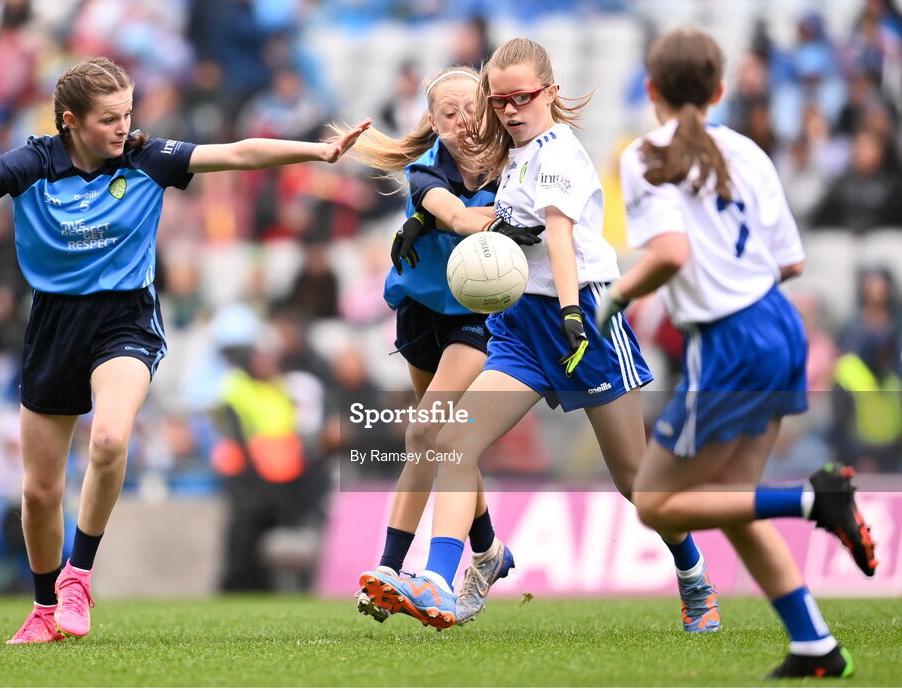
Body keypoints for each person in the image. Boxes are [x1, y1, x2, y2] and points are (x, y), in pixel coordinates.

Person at [0, 56, 370, 644]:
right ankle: (41, 606)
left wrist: (318, 153)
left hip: (124, 318)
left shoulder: (145, 157)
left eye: (127, 114)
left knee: (109, 438)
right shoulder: (37, 160)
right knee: (38, 491)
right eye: (108, 119)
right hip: (54, 324)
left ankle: (78, 578)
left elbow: (235, 153)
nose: (122, 128)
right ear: (70, 121)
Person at [359, 38, 719, 633]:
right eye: (499, 100)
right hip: (522, 328)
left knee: (635, 482)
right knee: (454, 439)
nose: (509, 109)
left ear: (549, 91)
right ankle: (440, 582)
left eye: (522, 97)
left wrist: (574, 312)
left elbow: (556, 235)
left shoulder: (557, 153)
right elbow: (500, 216)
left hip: (583, 323)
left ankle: (692, 574)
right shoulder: (515, 152)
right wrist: (424, 217)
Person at [594, 27, 877, 678]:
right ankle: (815, 644)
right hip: (778, 323)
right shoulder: (747, 150)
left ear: (651, 90)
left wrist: (614, 299)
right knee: (730, 497)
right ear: (720, 90)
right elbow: (794, 260)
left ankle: (813, 503)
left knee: (656, 501)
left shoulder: (645, 155)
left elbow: (669, 255)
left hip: (730, 340)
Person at [333, 65, 538, 626]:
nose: (464, 122)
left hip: (478, 316)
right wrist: (474, 217)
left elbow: (498, 216)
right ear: (433, 122)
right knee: (447, 443)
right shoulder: (425, 172)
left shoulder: (518, 171)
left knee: (429, 431)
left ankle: (392, 568)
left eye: (472, 109)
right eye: (449, 114)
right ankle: (490, 550)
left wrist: (518, 212)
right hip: (421, 314)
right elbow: (457, 214)